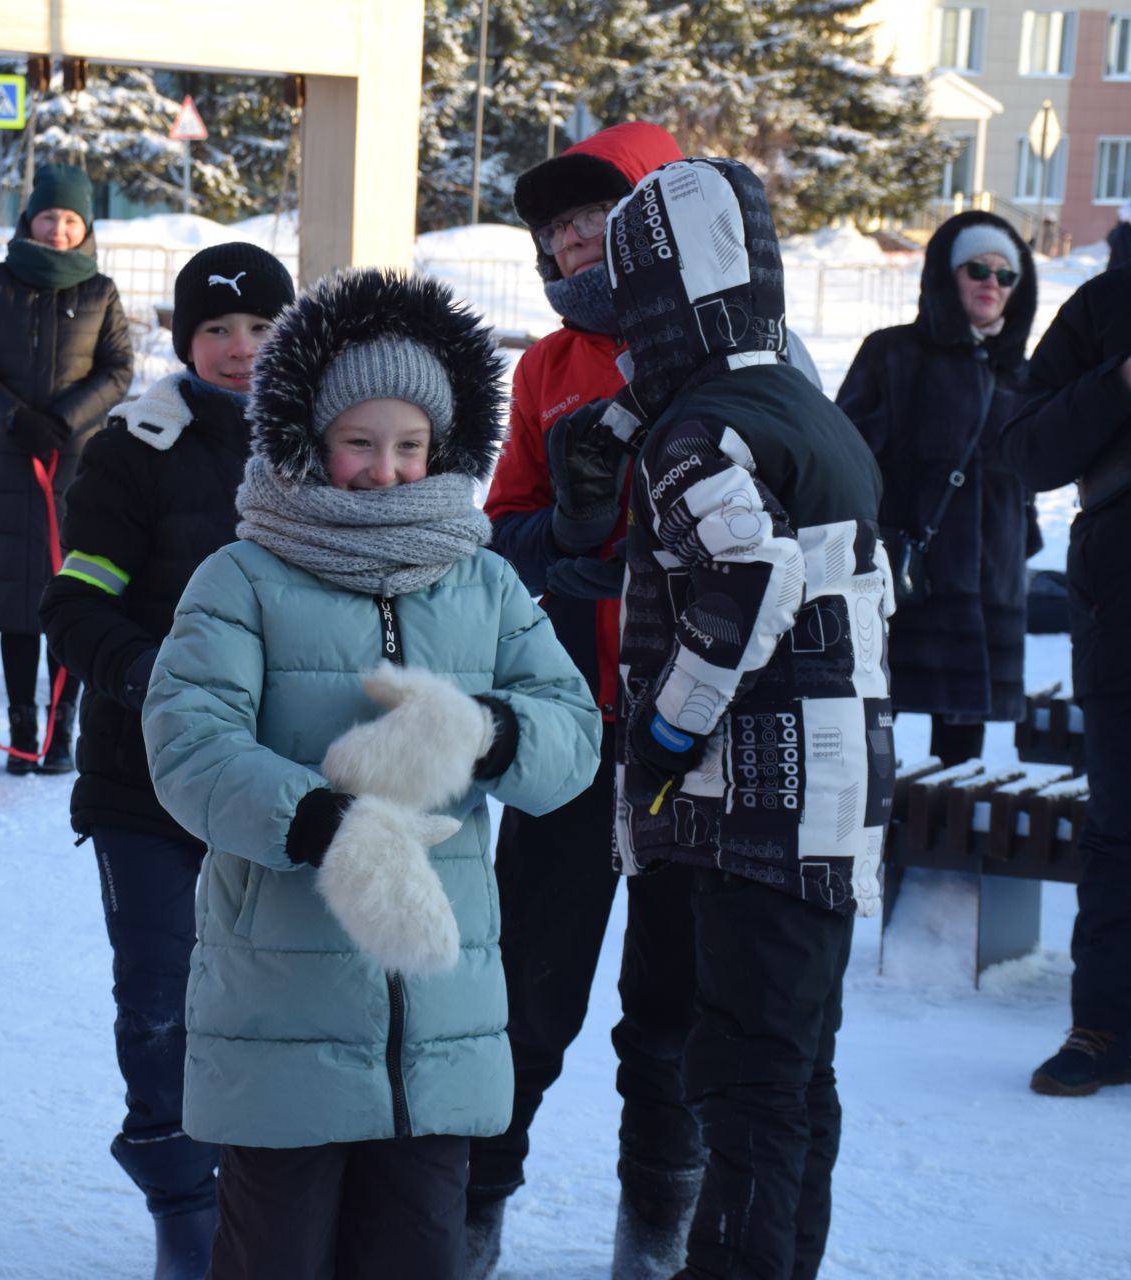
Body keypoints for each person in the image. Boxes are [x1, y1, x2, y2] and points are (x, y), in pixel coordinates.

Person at [143, 267, 602, 1279]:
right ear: (310, 437)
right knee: (279, 1257)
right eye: (360, 442)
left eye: (410, 446)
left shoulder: (483, 580)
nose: (386, 470)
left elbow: (573, 733)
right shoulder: (245, 577)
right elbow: (187, 744)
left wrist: (487, 730)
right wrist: (316, 819)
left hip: (440, 1024)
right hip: (281, 1014)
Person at [569, 157, 893, 1280]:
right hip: (837, 807)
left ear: (662, 299)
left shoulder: (702, 430)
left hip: (749, 808)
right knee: (796, 1078)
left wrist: (665, 733)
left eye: (630, 305)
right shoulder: (806, 405)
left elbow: (749, 577)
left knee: (745, 1090)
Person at [469, 119, 707, 1280]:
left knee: (673, 1010)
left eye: (593, 217)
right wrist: (558, 535)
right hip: (572, 725)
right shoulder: (543, 369)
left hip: (697, 739)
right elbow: (497, 537)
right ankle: (472, 1213)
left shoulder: (731, 350)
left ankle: (656, 1234)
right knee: (524, 991)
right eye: (553, 228)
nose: (569, 241)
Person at [39, 243, 295, 1280]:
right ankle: (182, 1200)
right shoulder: (136, 447)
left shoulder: (333, 440)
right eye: (216, 332)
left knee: (281, 995)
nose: (239, 351)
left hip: (278, 783)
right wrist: (157, 679)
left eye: (260, 329)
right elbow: (75, 602)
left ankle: (270, 1197)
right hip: (143, 780)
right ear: (186, 340)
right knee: (160, 992)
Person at [1001, 113, 1131, 1098]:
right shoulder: (1108, 309)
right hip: (1127, 611)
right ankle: (1102, 1024)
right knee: (1125, 827)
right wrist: (1125, 382)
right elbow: (1021, 450)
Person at [0, 163, 134, 776]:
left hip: (77, 461)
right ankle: (23, 732)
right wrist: (16, 418)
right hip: (12, 459)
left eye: (71, 219)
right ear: (30, 218)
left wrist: (67, 415)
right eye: (49, 215)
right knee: (14, 600)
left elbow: (118, 371)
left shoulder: (100, 292)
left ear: (85, 228)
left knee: (72, 592)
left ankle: (62, 736)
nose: (59, 228)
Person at [836, 212, 1036, 767]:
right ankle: (877, 848)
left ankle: (936, 854)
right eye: (977, 269)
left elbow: (1034, 468)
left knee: (961, 759)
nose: (991, 283)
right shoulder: (893, 354)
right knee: (876, 739)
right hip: (905, 579)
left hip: (989, 583)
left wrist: (1024, 535)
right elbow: (844, 456)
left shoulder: (1024, 374)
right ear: (948, 276)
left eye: (1006, 274)